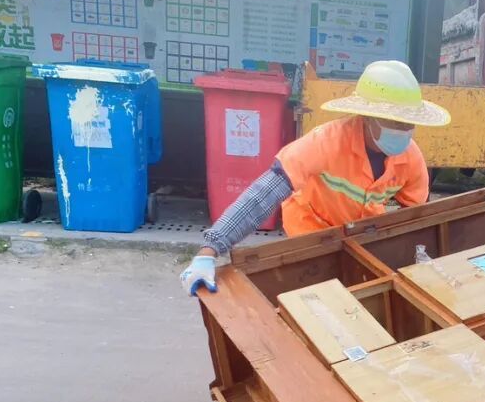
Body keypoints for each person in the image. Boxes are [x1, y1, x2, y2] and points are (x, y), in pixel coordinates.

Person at [181, 60, 450, 295]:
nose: (404, 130)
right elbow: (265, 193)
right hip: (310, 226)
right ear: (369, 117)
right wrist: (210, 250)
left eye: (409, 123)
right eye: (396, 122)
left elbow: (415, 216)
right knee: (315, 296)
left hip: (359, 232)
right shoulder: (326, 142)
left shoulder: (410, 158)